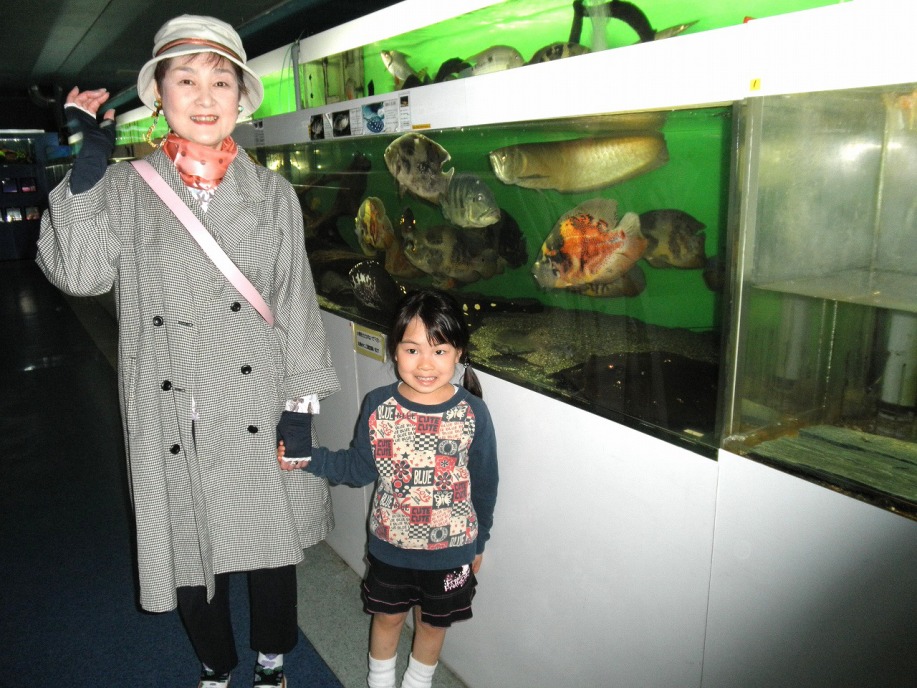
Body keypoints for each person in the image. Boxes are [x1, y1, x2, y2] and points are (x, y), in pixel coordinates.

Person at [36, 14, 340, 688]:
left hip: (256, 400)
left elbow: (295, 301)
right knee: (187, 548)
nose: (205, 98)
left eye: (221, 82)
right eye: (186, 80)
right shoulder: (124, 188)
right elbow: (79, 275)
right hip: (173, 407)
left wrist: (300, 406)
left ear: (240, 98)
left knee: (269, 549)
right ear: (159, 96)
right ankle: (214, 664)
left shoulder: (272, 194)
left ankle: (270, 660)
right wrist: (88, 165)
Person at [279, 289, 499, 688]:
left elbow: (485, 483)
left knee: (432, 625)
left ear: (459, 353)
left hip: (451, 550)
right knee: (387, 618)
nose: (426, 363)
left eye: (440, 350)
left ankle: (418, 683)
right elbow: (358, 467)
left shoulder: (472, 411)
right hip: (390, 547)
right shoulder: (378, 405)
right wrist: (308, 458)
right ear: (394, 350)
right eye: (412, 350)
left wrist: (479, 541)